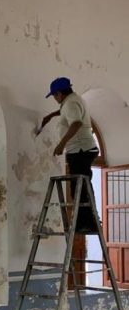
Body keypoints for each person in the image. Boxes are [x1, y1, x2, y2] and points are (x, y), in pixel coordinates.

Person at [41, 77, 99, 234]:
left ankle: (86, 224)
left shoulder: (70, 103)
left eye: (54, 96)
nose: (55, 99)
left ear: (59, 93)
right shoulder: (73, 100)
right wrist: (51, 115)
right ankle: (89, 222)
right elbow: (66, 111)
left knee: (79, 188)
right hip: (84, 149)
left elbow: (76, 123)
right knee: (82, 186)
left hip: (80, 150)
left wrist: (61, 144)